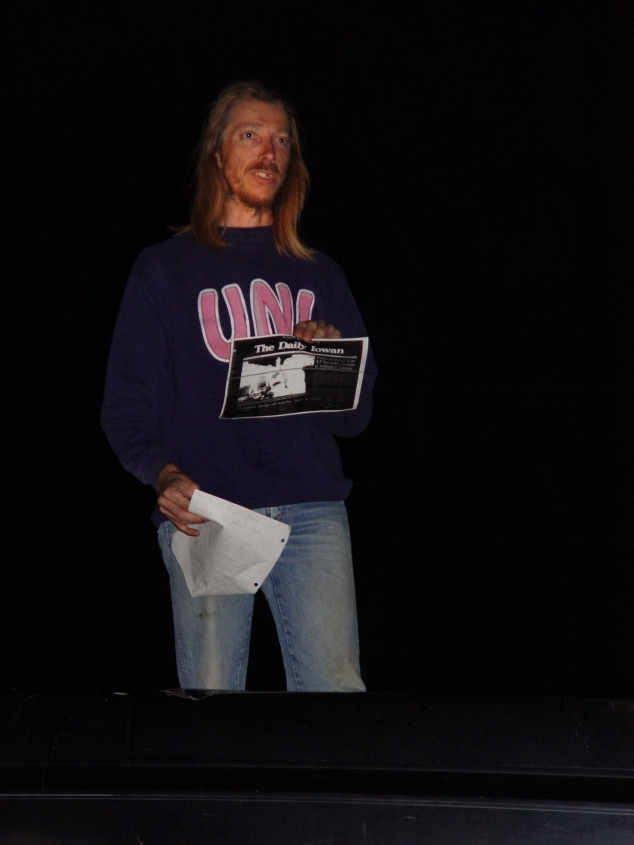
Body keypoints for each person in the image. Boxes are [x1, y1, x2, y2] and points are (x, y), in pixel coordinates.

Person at [101, 81, 376, 692]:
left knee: (336, 703)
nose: (269, 152)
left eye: (282, 140)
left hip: (311, 510)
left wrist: (329, 355)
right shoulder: (164, 269)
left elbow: (355, 418)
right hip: (211, 513)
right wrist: (163, 473)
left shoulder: (319, 274)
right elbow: (125, 404)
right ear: (217, 154)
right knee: (212, 701)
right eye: (250, 135)